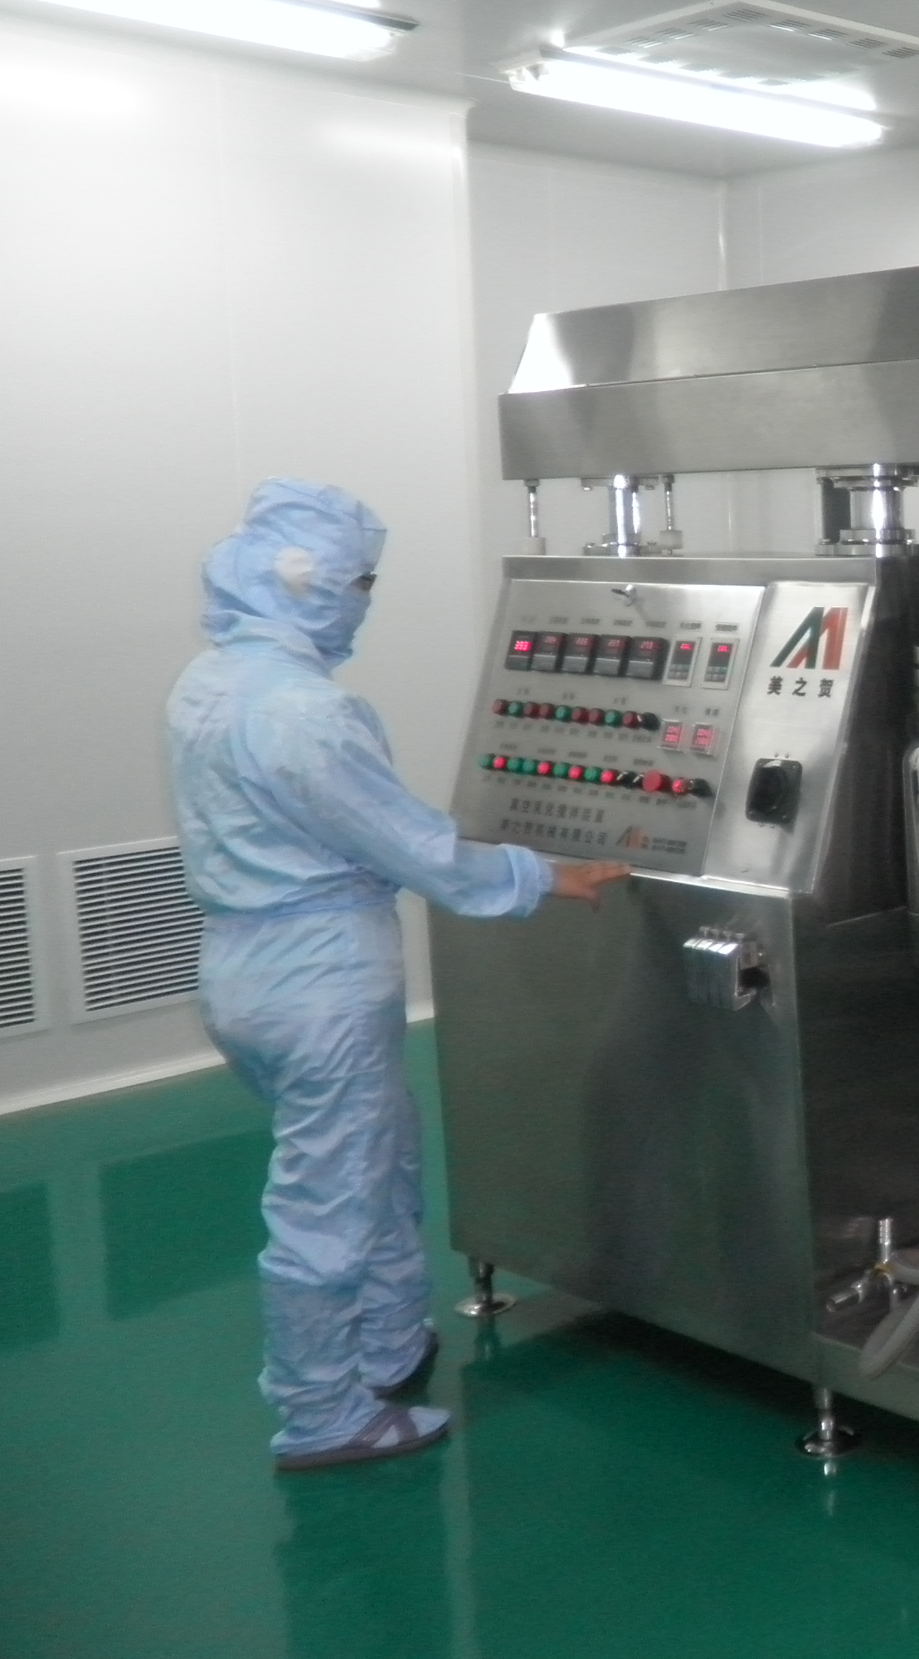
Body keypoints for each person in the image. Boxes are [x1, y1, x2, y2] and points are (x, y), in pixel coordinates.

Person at [166, 479, 627, 1471]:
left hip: (240, 970)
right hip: (320, 979)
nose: (364, 603)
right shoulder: (306, 713)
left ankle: (386, 1339)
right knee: (329, 1197)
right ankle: (321, 1411)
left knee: (376, 1157)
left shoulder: (209, 683)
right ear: (306, 583)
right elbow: (416, 848)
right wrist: (548, 876)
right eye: (358, 584)